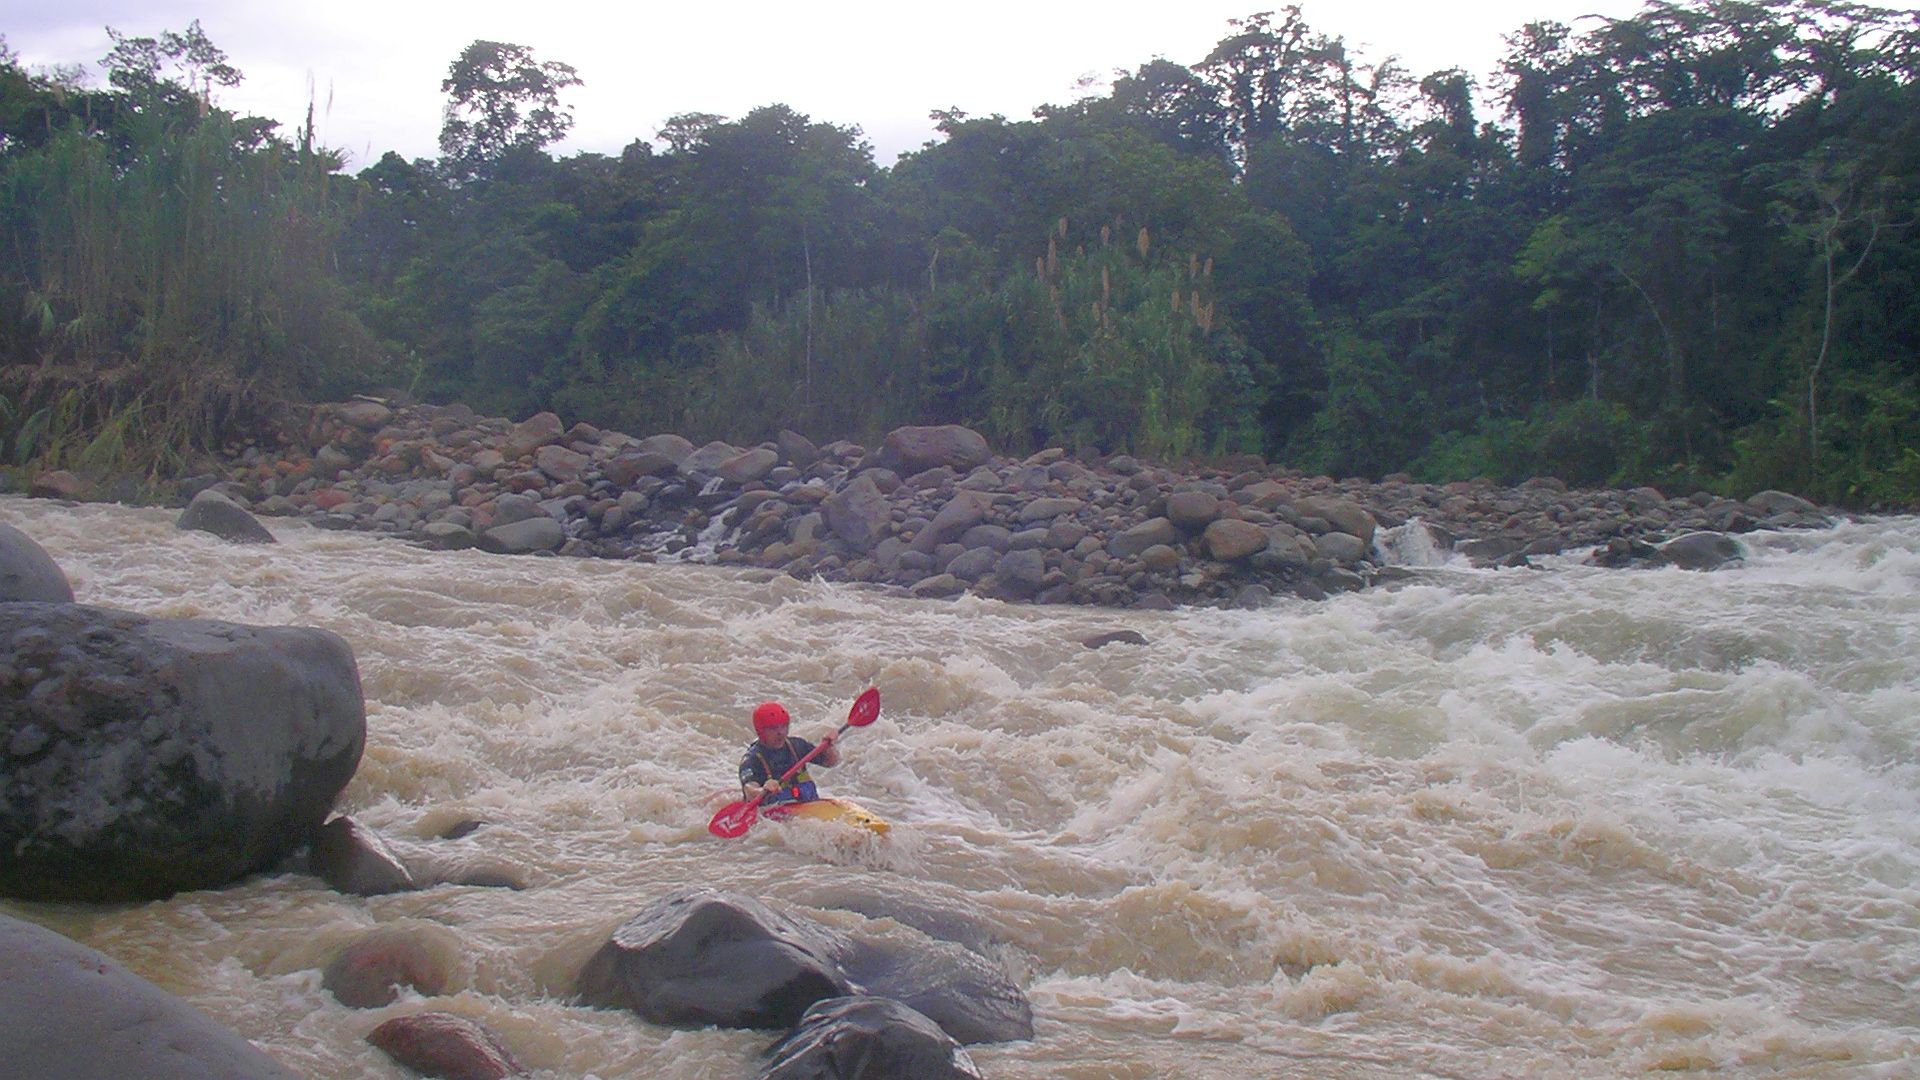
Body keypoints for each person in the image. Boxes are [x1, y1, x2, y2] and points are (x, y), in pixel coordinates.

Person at [738, 701, 839, 805]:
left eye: (784, 726)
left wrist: (829, 746)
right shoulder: (752, 759)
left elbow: (830, 762)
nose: (780, 732)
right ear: (761, 731)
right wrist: (763, 791)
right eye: (773, 728)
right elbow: (750, 791)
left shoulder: (797, 745)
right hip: (772, 814)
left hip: (807, 806)